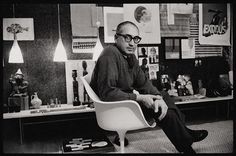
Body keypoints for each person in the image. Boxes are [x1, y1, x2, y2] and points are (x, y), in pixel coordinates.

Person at [90, 21, 208, 153]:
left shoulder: (130, 57)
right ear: (116, 38)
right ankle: (185, 146)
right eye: (127, 38)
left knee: (162, 96)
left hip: (126, 102)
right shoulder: (109, 54)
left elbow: (143, 83)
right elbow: (107, 94)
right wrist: (140, 97)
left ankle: (185, 134)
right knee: (158, 108)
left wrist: (158, 98)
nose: (132, 43)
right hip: (114, 108)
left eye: (136, 39)